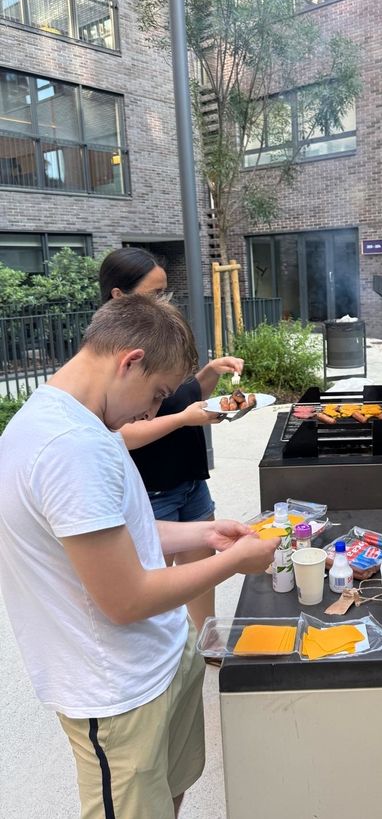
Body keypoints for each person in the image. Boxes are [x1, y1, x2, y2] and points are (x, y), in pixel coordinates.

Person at [0, 294, 279, 818]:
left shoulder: (84, 421)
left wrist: (206, 533)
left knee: (169, 796)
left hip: (163, 657)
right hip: (115, 691)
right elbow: (125, 599)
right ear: (129, 360)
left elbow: (121, 531)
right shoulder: (68, 446)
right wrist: (234, 562)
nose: (152, 412)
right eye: (157, 395)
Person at [99, 247, 240, 637]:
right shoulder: (110, 355)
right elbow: (118, 434)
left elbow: (183, 393)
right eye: (153, 294)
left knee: (199, 573)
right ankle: (174, 650)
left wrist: (209, 372)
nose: (162, 302)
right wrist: (181, 420)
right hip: (153, 490)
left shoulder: (157, 343)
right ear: (118, 297)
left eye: (165, 293)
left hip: (189, 479)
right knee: (155, 587)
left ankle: (208, 641)